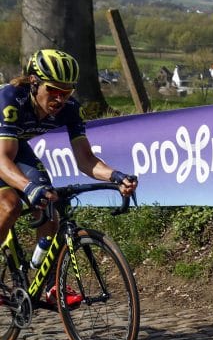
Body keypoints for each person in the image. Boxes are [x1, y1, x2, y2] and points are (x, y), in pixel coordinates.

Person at [0, 49, 138, 305]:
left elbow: (86, 159)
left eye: (67, 91)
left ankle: (51, 282)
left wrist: (115, 176)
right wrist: (28, 188)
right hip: (3, 151)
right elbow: (3, 159)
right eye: (53, 90)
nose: (60, 98)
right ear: (34, 82)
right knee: (10, 205)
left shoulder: (70, 109)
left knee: (49, 200)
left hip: (15, 145)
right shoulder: (10, 98)